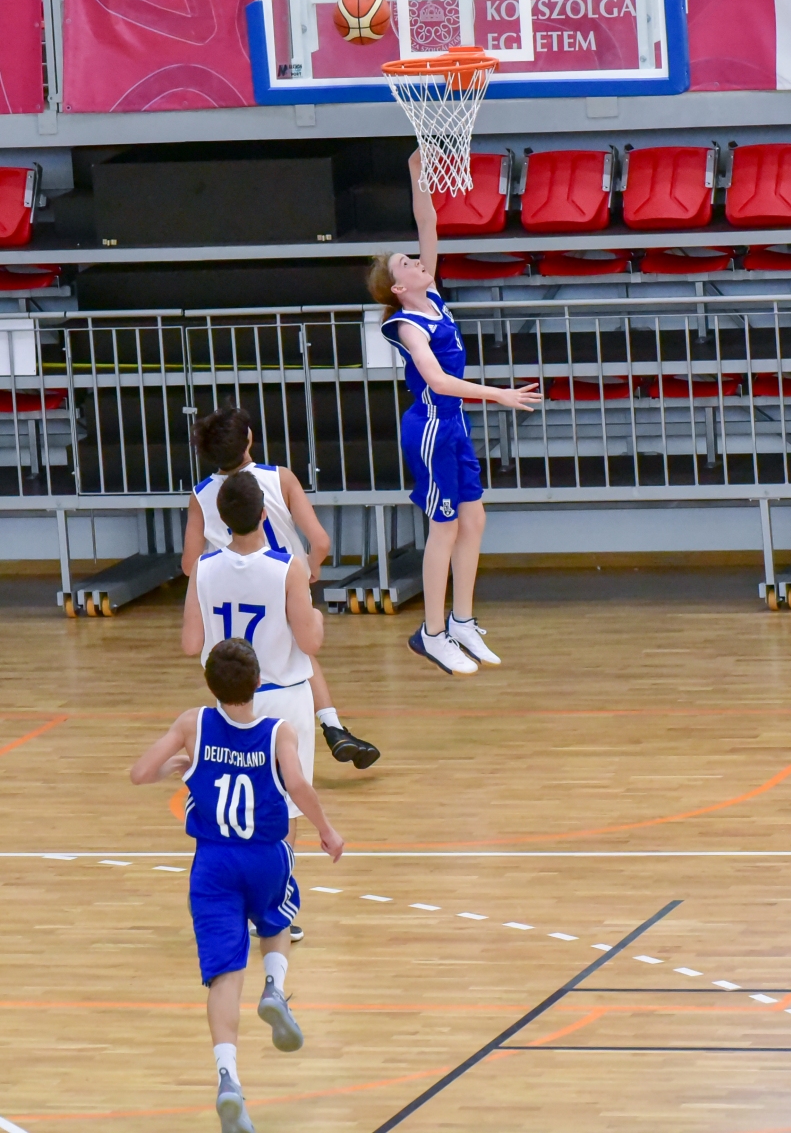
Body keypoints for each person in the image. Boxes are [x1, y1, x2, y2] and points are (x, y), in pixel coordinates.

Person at [131, 638, 343, 1133]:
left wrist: (174, 768)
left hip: (212, 867)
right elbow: (298, 786)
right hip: (265, 855)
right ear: (258, 683)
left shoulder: (194, 724)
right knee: (278, 919)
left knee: (224, 975)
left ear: (211, 686)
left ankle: (228, 1077)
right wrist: (327, 830)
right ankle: (275, 987)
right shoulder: (279, 731)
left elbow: (140, 773)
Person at [367, 150, 541, 675]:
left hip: (454, 425)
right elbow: (439, 382)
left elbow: (428, 223)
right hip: (429, 428)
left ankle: (462, 621)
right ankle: (431, 632)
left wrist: (415, 173)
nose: (416, 261)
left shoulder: (433, 299)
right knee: (443, 528)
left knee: (474, 518)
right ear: (398, 288)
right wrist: (499, 394)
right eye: (406, 264)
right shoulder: (406, 325)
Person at [183, 405, 379, 769]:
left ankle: (255, 745)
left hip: (233, 584)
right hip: (284, 577)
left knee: (246, 664)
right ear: (249, 439)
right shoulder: (279, 478)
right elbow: (320, 541)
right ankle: (331, 725)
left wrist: (216, 569)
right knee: (297, 653)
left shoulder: (202, 494)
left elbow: (188, 564)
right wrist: (311, 569)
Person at [183, 470, 323, 942]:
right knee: (282, 810)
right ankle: (272, 909)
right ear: (264, 514)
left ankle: (234, 906)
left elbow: (191, 643)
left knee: (233, 805)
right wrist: (316, 616)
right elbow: (310, 641)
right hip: (282, 696)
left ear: (221, 519)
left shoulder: (203, 568)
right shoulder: (288, 567)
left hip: (229, 698)